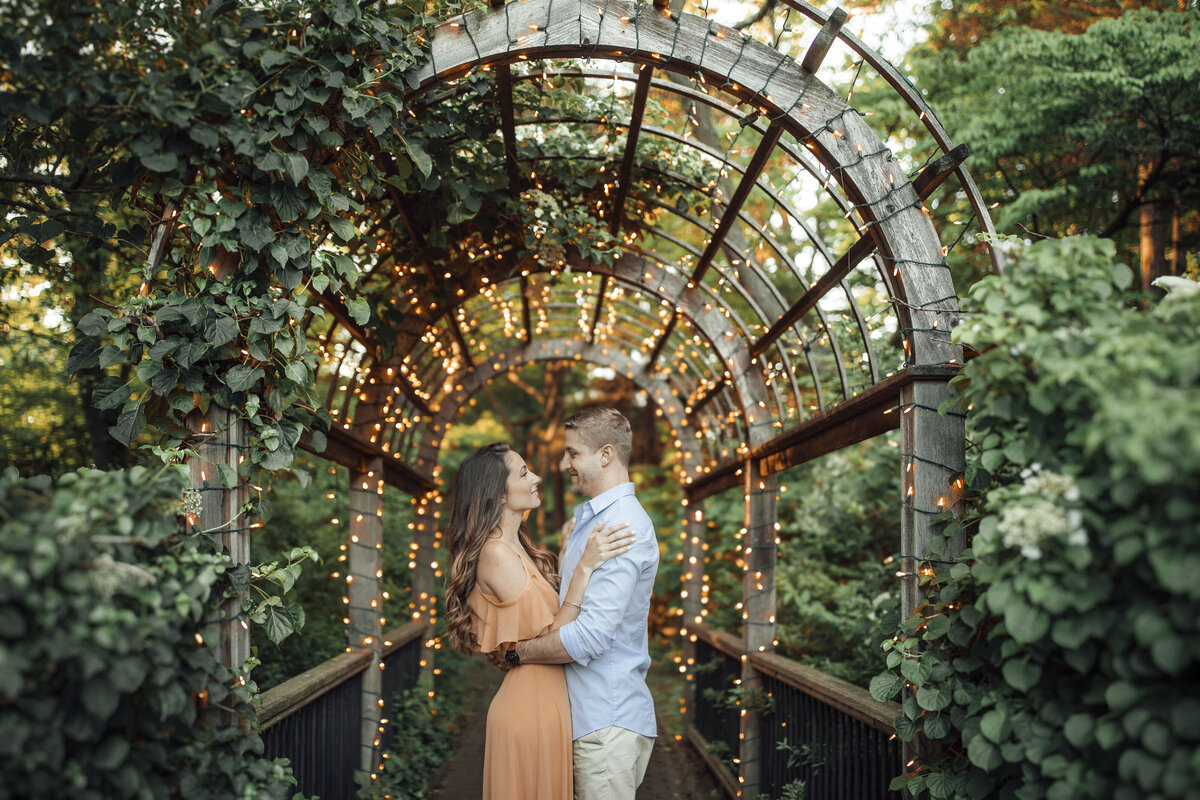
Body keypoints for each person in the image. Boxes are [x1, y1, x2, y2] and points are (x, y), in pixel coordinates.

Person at [444, 442, 634, 800]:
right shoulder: (495, 553)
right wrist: (584, 567)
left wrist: (566, 557)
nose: (537, 478)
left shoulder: (517, 549)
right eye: (523, 473)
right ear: (498, 494)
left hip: (548, 704)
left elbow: (538, 621)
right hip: (529, 710)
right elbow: (555, 635)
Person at [508, 407, 660, 800]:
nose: (563, 464)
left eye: (573, 453)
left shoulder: (621, 526)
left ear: (605, 454)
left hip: (604, 725)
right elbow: (572, 606)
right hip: (584, 720)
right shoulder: (591, 523)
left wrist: (517, 654)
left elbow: (590, 639)